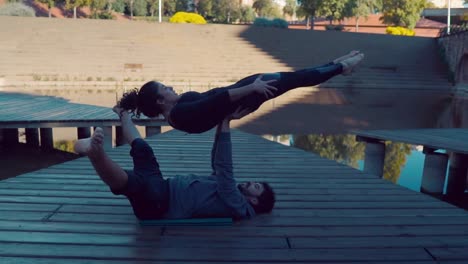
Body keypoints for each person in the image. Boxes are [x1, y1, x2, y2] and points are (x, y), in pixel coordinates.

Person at [73, 105, 275, 220]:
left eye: (255, 186)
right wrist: (222, 121)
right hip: (163, 186)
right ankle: (123, 113)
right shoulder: (229, 193)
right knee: (143, 150)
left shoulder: (237, 204)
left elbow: (225, 168)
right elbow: (217, 163)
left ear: (254, 201)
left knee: (133, 182)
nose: (250, 182)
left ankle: (95, 153)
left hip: (159, 203)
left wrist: (226, 122)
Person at [118, 51, 365, 134]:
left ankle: (337, 66)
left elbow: (209, 115)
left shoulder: (177, 114)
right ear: (160, 100)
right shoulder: (180, 113)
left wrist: (228, 118)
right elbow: (216, 101)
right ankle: (341, 66)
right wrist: (254, 88)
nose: (170, 87)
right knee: (296, 79)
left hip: (244, 92)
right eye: (165, 88)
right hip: (247, 92)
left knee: (295, 78)